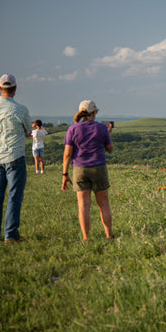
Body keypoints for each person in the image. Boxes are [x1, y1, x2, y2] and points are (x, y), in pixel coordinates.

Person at [0, 74, 32, 244]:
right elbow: (28, 131)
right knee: (14, 196)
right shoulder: (21, 109)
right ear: (15, 89)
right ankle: (11, 235)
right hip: (14, 155)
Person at [62, 100, 113, 241]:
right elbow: (109, 149)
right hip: (99, 167)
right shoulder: (101, 128)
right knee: (104, 204)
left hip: (80, 169)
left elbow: (67, 154)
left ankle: (85, 237)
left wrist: (65, 174)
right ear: (93, 112)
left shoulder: (72, 129)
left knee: (83, 206)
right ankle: (109, 235)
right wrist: (108, 133)